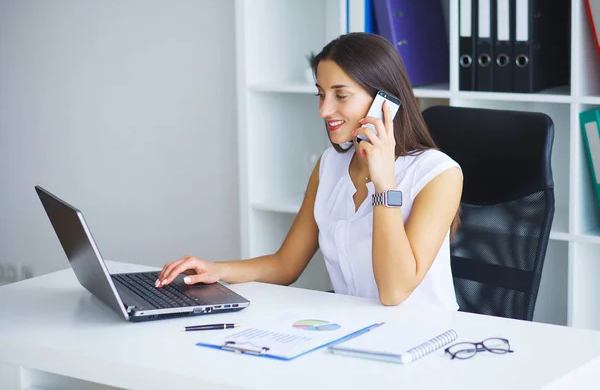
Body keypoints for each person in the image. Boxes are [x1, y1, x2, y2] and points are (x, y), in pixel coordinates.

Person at [156, 32, 463, 309]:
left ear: (385, 102)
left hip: (426, 343)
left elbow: (394, 292)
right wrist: (216, 270)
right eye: (321, 93)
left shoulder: (439, 174)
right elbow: (286, 264)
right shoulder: (331, 165)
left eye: (340, 95)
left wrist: (384, 184)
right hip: (355, 335)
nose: (324, 110)